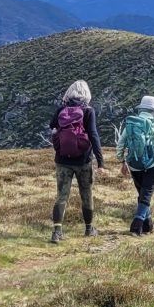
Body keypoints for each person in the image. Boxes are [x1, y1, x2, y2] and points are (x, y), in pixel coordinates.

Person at [49, 80, 105, 243]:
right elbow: (93, 135)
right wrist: (100, 163)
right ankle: (89, 229)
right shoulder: (88, 111)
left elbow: (52, 125)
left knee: (61, 196)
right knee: (86, 194)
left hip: (62, 160)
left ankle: (57, 232)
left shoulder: (61, 110)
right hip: (83, 161)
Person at [116, 95, 154, 236]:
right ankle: (136, 226)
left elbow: (121, 144)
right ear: (153, 110)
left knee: (143, 195)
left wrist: (122, 161)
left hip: (134, 165)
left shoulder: (130, 123)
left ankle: (148, 225)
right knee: (146, 196)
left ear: (141, 108)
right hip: (151, 165)